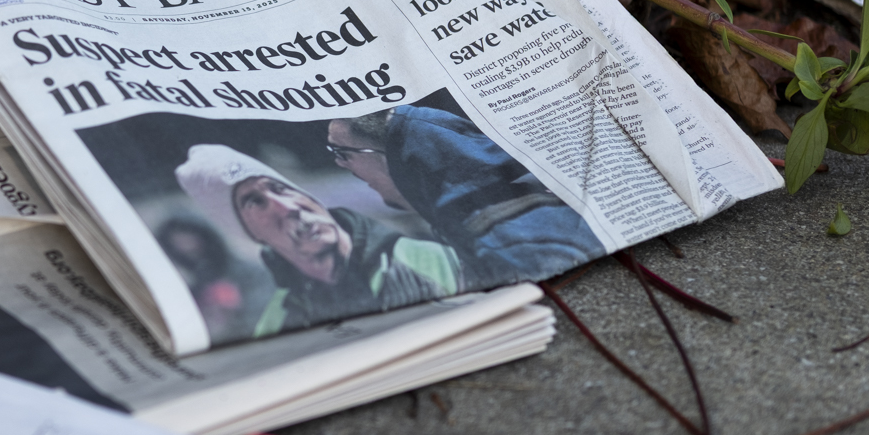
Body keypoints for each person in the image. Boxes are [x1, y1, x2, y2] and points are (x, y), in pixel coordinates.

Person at [174, 144, 466, 338]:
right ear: (252, 235)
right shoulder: (276, 323)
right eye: (255, 202)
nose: (286, 207)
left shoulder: (436, 261)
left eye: (280, 188)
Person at [326, 107, 606, 287]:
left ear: (396, 158)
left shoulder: (513, 243)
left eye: (342, 152)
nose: (339, 164)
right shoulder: (499, 217)